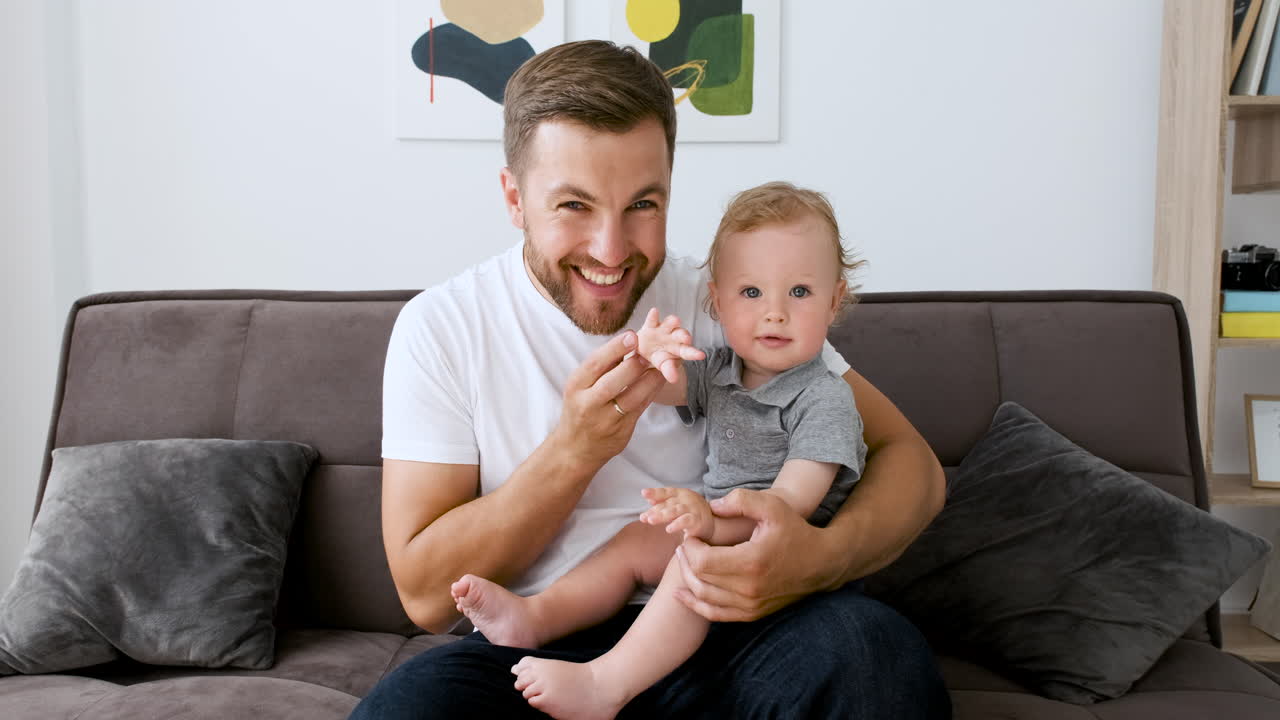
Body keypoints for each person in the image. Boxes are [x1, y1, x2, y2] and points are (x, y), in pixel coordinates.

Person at [351, 40, 950, 719]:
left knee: (874, 656)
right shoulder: (443, 327)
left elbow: (916, 469)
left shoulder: (731, 300)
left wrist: (817, 559)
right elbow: (428, 597)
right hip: (538, 641)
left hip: (733, 624)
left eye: (643, 204)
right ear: (514, 198)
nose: (611, 253)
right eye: (574, 206)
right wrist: (576, 449)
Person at [448, 181, 871, 720]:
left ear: (835, 300)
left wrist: (709, 524)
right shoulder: (722, 372)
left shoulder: (824, 397)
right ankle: (535, 618)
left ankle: (606, 685)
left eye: (800, 293)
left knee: (691, 562)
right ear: (716, 301)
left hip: (787, 554)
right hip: (723, 529)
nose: (774, 314)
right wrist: (647, 354)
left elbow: (789, 506)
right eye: (751, 293)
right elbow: (661, 385)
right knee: (637, 539)